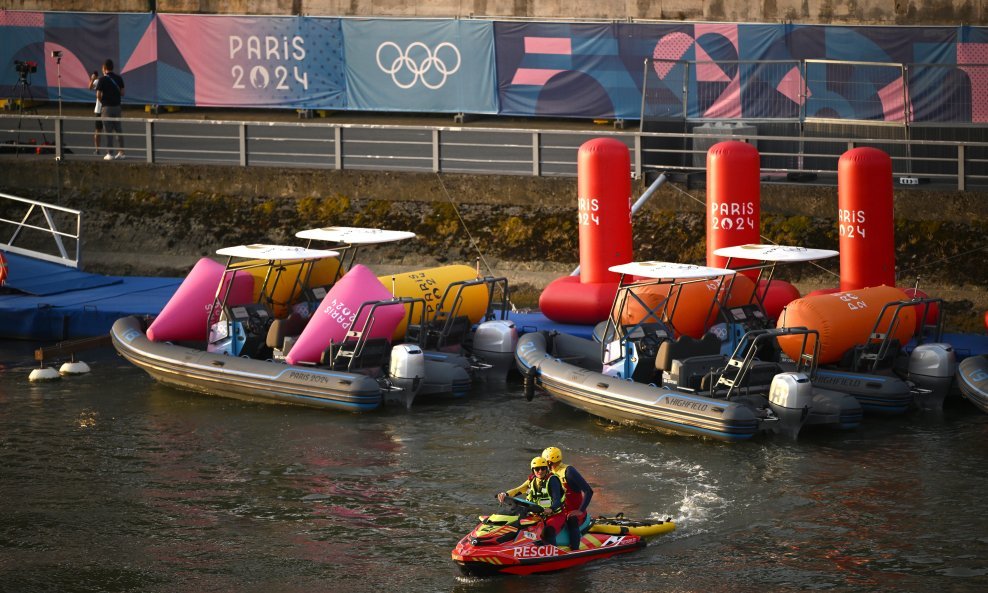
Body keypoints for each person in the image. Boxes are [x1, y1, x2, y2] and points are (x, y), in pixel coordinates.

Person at [496, 457, 568, 548]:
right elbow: (518, 489)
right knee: (517, 525)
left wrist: (551, 509)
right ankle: (512, 546)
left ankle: (553, 552)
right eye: (537, 469)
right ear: (533, 470)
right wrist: (505, 494)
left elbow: (557, 500)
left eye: (543, 468)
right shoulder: (532, 480)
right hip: (536, 515)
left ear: (547, 469)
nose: (540, 471)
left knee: (548, 531)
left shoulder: (553, 480)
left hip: (554, 515)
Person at [542, 446, 594, 552]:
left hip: (574, 512)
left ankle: (575, 549)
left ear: (549, 462)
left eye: (545, 463)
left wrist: (580, 510)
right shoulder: (545, 473)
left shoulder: (569, 472)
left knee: (571, 519)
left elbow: (588, 491)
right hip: (559, 511)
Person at [95, 58, 125, 160]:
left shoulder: (102, 80)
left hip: (106, 108)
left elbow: (98, 94)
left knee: (108, 131)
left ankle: (110, 153)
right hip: (117, 107)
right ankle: (121, 152)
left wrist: (103, 102)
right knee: (118, 130)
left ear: (104, 68)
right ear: (112, 67)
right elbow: (122, 93)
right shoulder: (119, 78)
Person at [89, 70, 102, 155]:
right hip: (101, 109)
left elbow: (90, 87)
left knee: (98, 130)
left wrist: (93, 79)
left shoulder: (98, 81)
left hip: (101, 109)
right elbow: (90, 87)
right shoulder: (99, 81)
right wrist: (93, 79)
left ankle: (98, 150)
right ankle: (97, 150)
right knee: (98, 130)